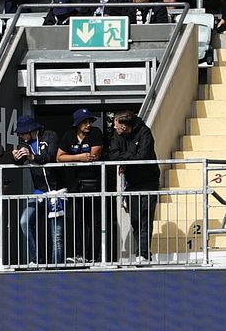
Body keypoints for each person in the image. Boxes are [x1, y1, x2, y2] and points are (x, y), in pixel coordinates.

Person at [107, 105, 160, 261]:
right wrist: (131, 158)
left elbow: (143, 156)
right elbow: (113, 156)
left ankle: (143, 253)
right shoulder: (117, 135)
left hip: (149, 181)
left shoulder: (145, 132)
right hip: (132, 182)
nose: (114, 127)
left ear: (124, 126)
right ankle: (142, 251)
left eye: (116, 124)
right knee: (135, 219)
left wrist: (126, 160)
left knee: (145, 217)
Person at [12, 115, 63, 266]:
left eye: (22, 133)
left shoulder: (50, 136)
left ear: (30, 130)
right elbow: (20, 162)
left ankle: (56, 267)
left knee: (56, 234)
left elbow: (50, 157)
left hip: (57, 190)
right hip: (39, 190)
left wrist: (32, 156)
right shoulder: (24, 143)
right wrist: (16, 157)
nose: (20, 136)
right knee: (25, 221)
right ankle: (37, 259)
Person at [58, 109, 104, 262]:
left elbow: (93, 156)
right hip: (75, 185)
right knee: (77, 220)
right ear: (77, 124)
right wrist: (79, 157)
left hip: (93, 184)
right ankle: (78, 254)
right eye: (85, 122)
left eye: (90, 121)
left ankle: (93, 256)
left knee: (94, 222)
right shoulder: (69, 135)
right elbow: (59, 157)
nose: (89, 124)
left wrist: (75, 157)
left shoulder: (96, 133)